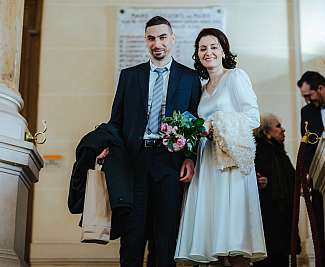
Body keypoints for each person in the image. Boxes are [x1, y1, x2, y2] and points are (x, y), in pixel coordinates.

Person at [104, 16, 202, 267]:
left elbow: (196, 124)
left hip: (170, 163)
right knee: (132, 235)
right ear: (145, 41)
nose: (157, 43)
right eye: (151, 38)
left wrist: (190, 157)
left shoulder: (190, 79)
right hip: (134, 162)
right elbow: (116, 121)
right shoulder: (129, 76)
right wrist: (107, 146)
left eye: (162, 37)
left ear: (172, 38)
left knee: (165, 237)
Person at [174, 28, 266, 267]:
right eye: (202, 48)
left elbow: (253, 118)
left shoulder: (236, 77)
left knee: (234, 236)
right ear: (197, 54)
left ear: (223, 50)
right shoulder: (202, 89)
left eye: (214, 46)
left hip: (231, 163)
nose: (208, 52)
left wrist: (214, 122)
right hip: (207, 163)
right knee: (211, 239)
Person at [252, 114, 301, 267]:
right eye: (278, 126)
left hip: (282, 220)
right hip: (269, 221)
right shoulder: (260, 151)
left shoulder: (279, 152)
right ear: (267, 132)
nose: (283, 130)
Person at [297, 71, 325, 266]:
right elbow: (307, 148)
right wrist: (306, 176)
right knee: (319, 224)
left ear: (320, 88)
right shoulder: (306, 113)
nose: (307, 101)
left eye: (309, 96)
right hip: (318, 177)